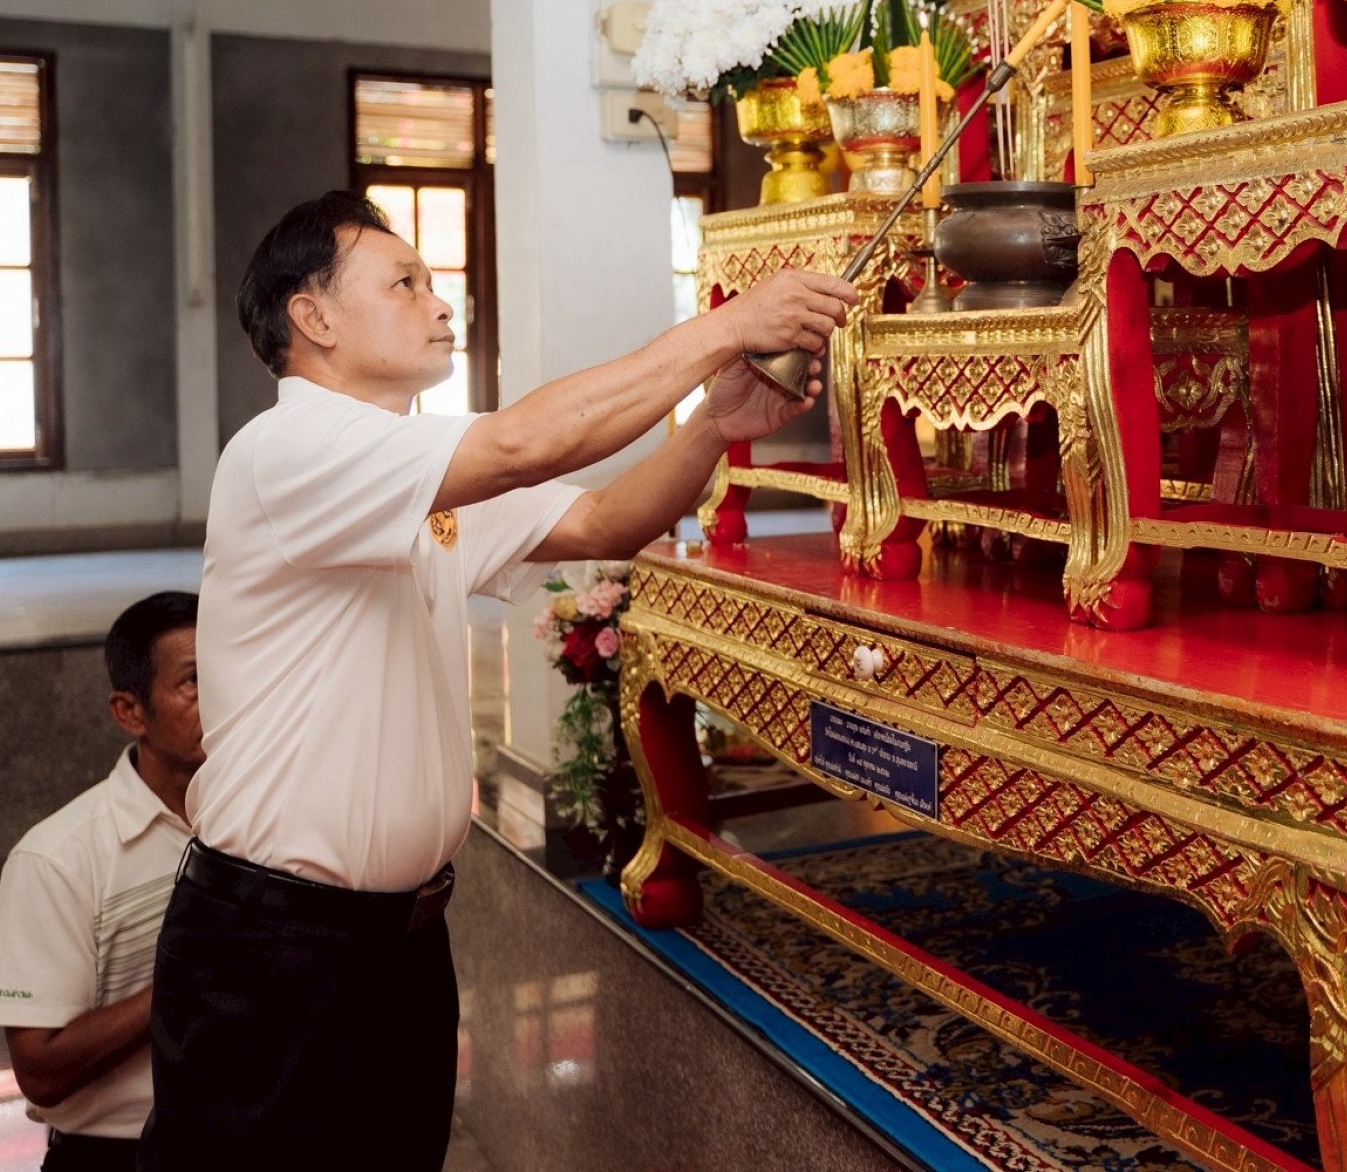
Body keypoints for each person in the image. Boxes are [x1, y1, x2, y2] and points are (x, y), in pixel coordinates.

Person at [138, 189, 856, 1172]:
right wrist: (730, 323)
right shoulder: (290, 450)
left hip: (399, 941)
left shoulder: (401, 472)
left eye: (433, 283)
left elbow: (601, 521)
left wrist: (712, 429)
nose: (440, 304)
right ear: (313, 318)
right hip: (275, 947)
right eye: (404, 282)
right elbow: (526, 442)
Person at [0, 591, 204, 1172]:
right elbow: (41, 1070)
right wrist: (190, 978)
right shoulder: (57, 859)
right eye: (196, 681)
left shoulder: (263, 823)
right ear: (131, 712)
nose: (229, 698)